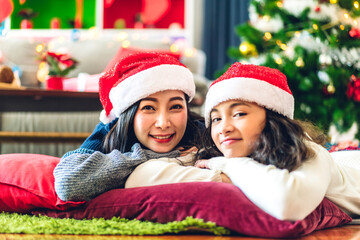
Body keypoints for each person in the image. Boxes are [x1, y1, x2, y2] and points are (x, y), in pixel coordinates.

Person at [195, 62, 360, 221]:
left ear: (273, 117)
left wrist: (227, 164)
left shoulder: (309, 151)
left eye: (239, 114)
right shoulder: (229, 153)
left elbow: (289, 204)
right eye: (216, 118)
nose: (224, 128)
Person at [54, 52, 223, 202]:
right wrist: (147, 156)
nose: (163, 123)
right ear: (129, 113)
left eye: (176, 107)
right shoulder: (109, 130)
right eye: (149, 108)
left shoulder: (202, 132)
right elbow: (68, 183)